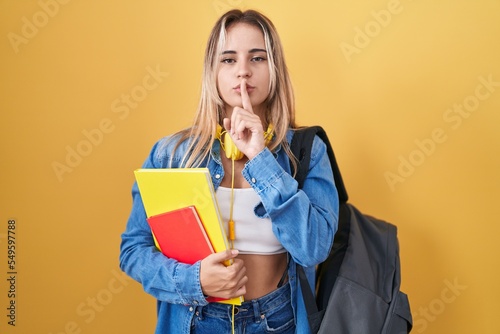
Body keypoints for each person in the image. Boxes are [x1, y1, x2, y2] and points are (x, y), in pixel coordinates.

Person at [120, 9, 339, 334]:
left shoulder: (307, 151)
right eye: (228, 60)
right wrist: (194, 280)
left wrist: (261, 159)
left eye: (257, 58)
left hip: (277, 321)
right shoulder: (171, 154)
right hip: (196, 320)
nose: (243, 73)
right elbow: (133, 251)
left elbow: (314, 248)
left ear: (274, 68)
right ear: (213, 71)